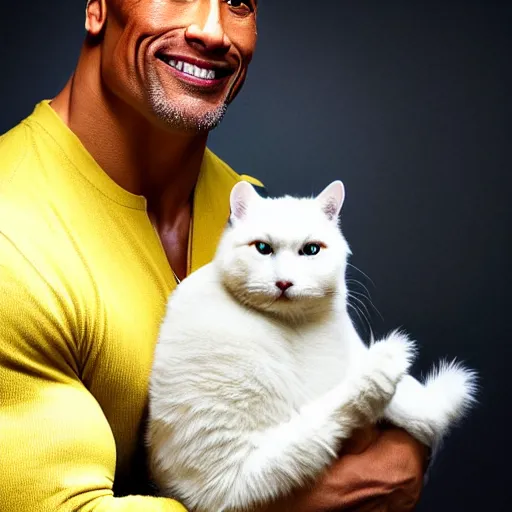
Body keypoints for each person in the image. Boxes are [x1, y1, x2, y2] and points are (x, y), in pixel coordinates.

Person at [0, 1, 427, 510]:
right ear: (95, 8)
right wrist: (297, 498)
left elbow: (367, 416)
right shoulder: (13, 245)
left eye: (238, 3)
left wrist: (408, 444)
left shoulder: (253, 213)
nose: (211, 30)